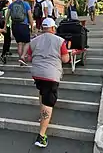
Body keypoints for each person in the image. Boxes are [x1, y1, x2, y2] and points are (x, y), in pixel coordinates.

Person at [27, 17, 69, 148]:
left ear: (43, 28)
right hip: (51, 74)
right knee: (48, 101)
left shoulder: (34, 41)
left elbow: (28, 57)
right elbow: (65, 59)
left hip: (37, 73)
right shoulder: (60, 41)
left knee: (42, 92)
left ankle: (42, 117)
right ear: (53, 28)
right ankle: (41, 136)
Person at [4, 0, 33, 66]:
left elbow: (7, 16)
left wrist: (5, 27)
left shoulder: (12, 4)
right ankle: (23, 56)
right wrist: (32, 26)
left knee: (19, 43)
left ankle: (21, 59)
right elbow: (30, 16)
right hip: (23, 25)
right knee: (27, 42)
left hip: (14, 26)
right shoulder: (26, 4)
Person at [1, 0, 12, 64]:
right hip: (6, 27)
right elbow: (7, 19)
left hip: (2, 27)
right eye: (9, 3)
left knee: (8, 39)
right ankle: (3, 55)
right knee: (6, 41)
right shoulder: (7, 10)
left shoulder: (1, 10)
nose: (9, 4)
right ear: (6, 4)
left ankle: (7, 51)